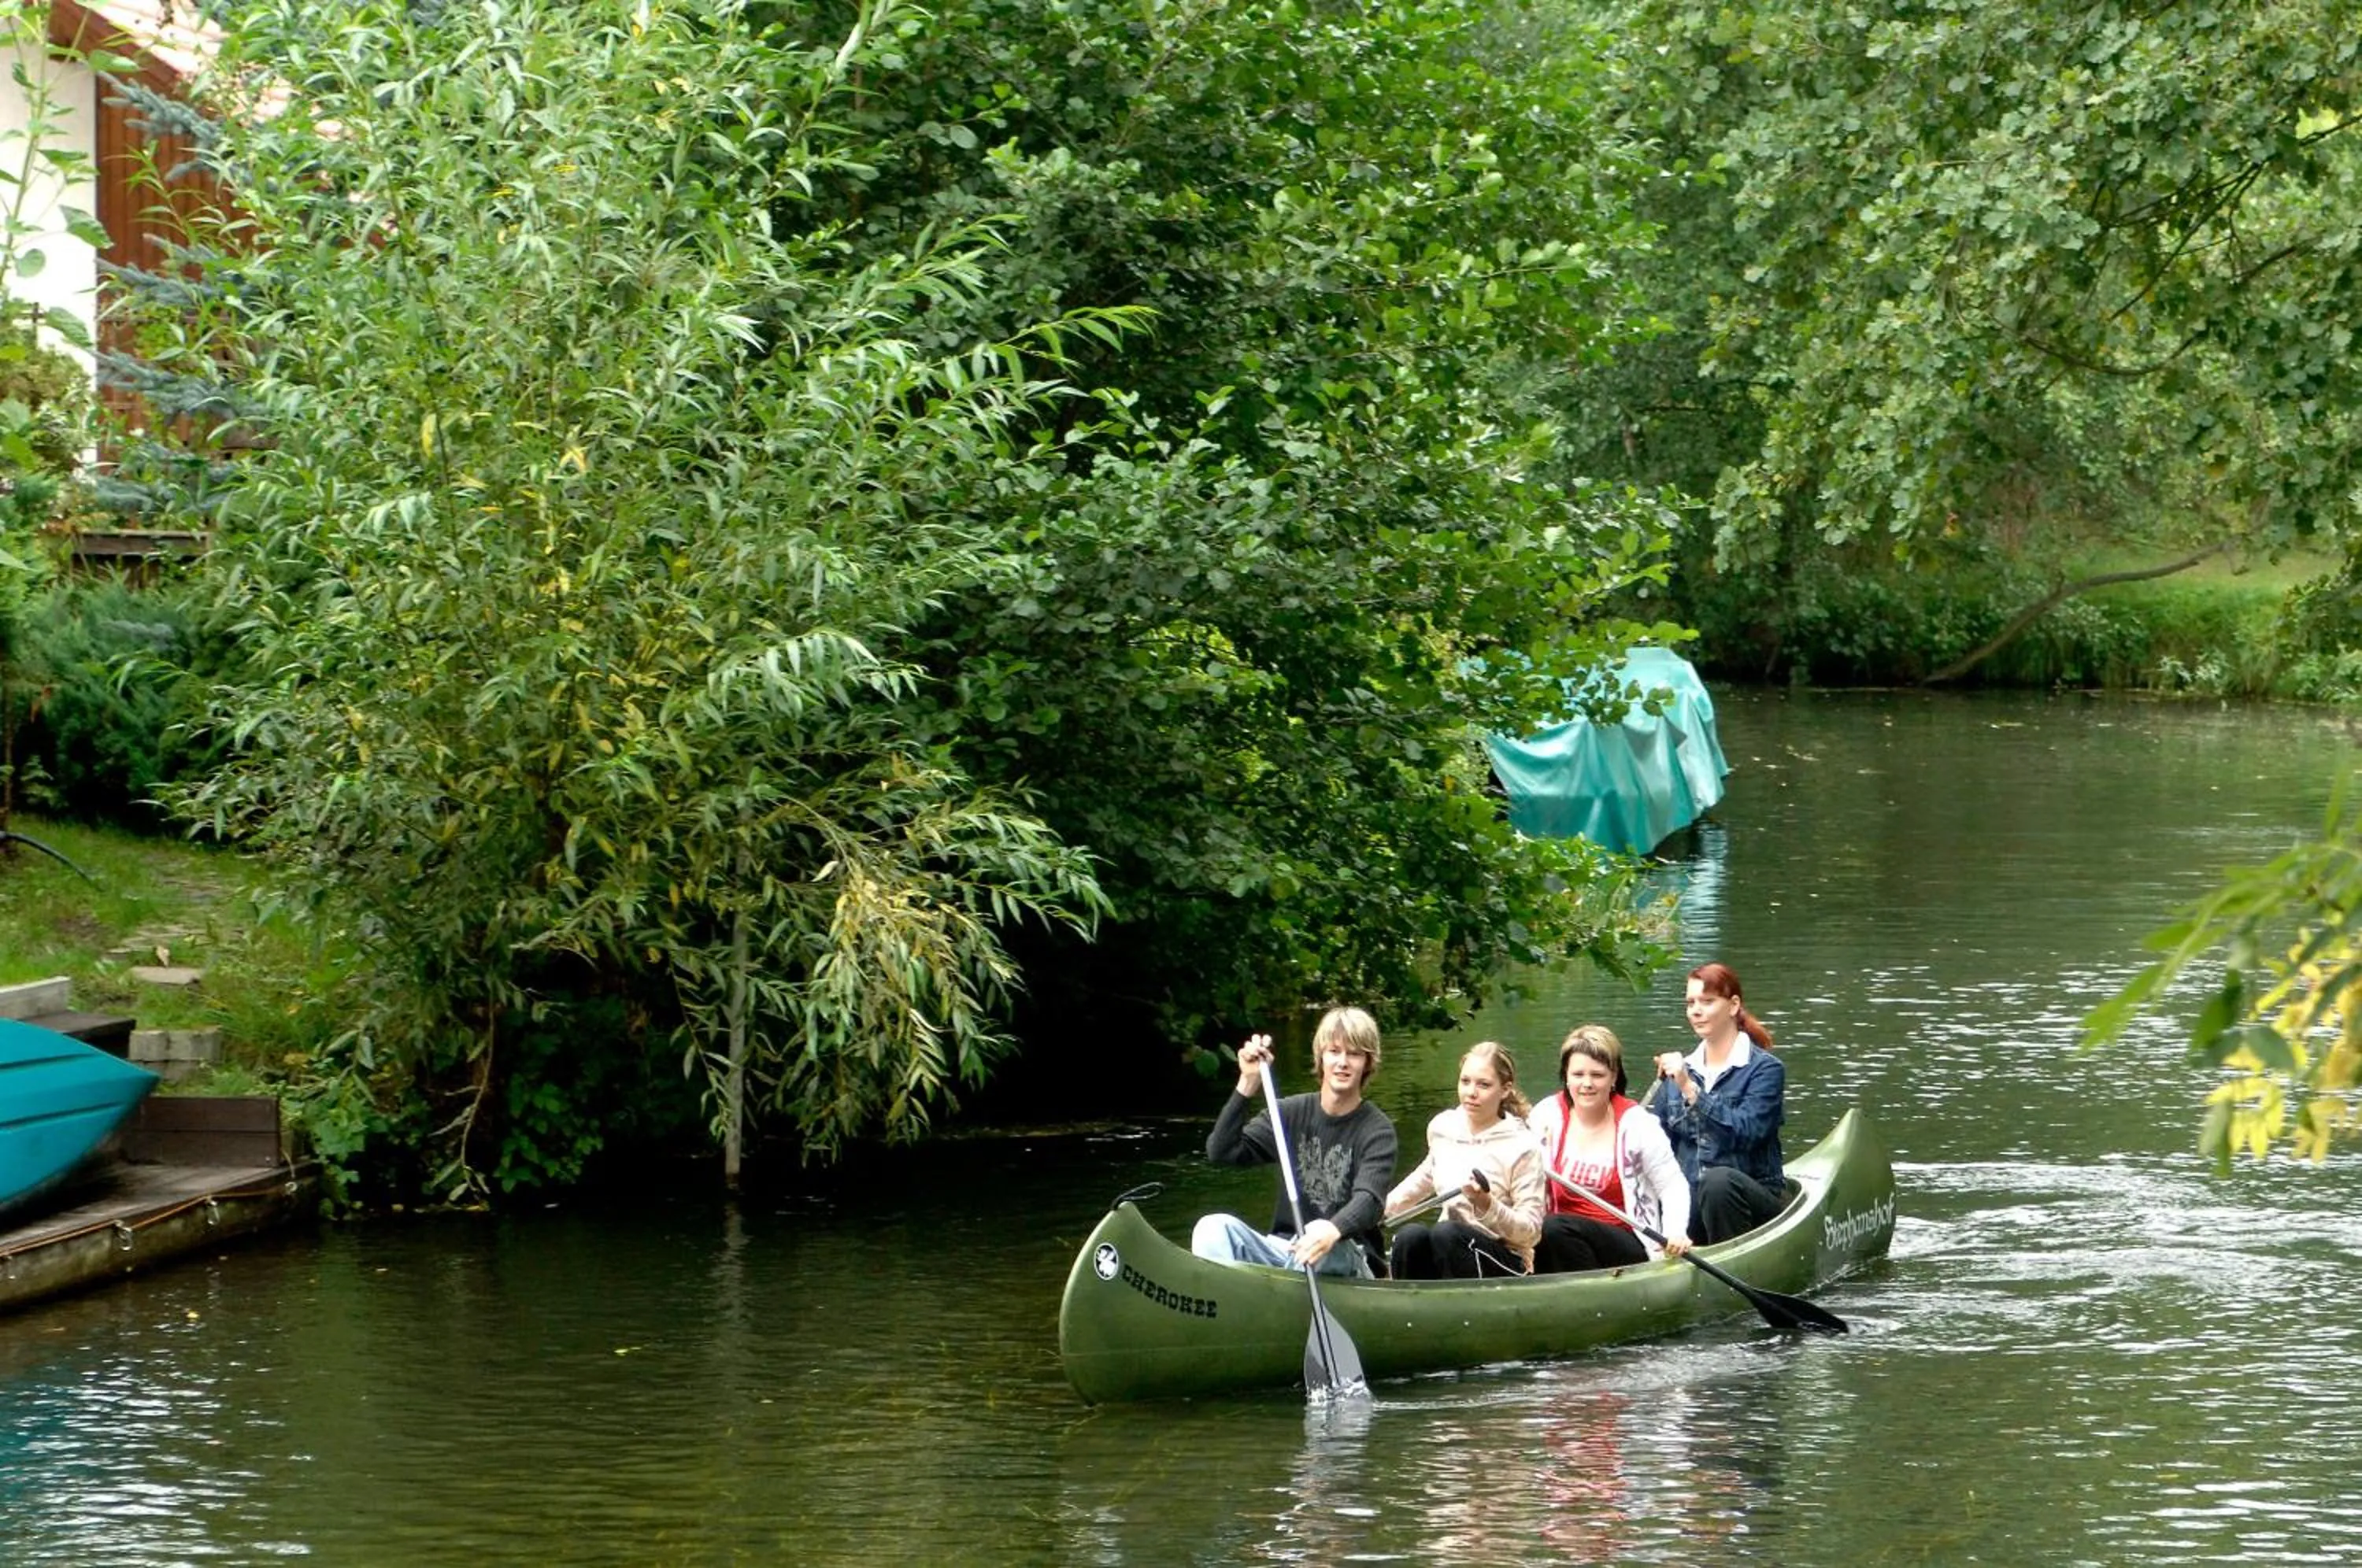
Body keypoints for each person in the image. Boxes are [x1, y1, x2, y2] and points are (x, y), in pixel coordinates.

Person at [1192, 1007, 1398, 1277]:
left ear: (1368, 1063)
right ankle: (1235, 1301)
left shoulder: (1378, 1130)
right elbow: (1222, 1151)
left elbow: (1370, 1201)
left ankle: (1276, 1295)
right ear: (1321, 1057)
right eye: (1334, 1051)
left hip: (1346, 1254)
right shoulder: (1288, 1114)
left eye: (1355, 1054)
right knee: (1212, 1228)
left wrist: (1332, 1230)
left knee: (1320, 1242)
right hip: (1286, 1250)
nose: (1343, 1062)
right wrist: (1247, 1083)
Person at [1529, 1024, 1691, 1273]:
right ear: (1566, 1076)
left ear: (1614, 1077)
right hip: (1556, 1239)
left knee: (1553, 1228)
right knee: (1544, 1231)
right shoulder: (1545, 1115)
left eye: (1597, 1075)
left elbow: (1672, 1186)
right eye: (1578, 1074)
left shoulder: (1638, 1124)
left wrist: (1675, 1232)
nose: (1587, 1084)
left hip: (1626, 1241)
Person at [1381, 1040, 1547, 1278]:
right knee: (1409, 1238)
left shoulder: (1523, 1146)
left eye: (1484, 1085)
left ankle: (1463, 1308)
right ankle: (1409, 1309)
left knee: (1447, 1233)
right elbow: (1425, 1177)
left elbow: (1531, 1233)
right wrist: (1375, 1211)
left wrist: (1487, 1204)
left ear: (1505, 1089)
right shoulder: (1443, 1127)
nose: (1471, 1092)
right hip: (1450, 1245)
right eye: (1465, 1081)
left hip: (1505, 1258)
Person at [1647, 962, 1786, 1244]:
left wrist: (1690, 1089)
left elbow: (1745, 1134)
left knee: (1718, 1181)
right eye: (1690, 1003)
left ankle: (1731, 1264)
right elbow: (1655, 1146)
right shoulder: (1678, 1071)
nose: (1696, 1011)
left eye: (1707, 1002)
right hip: (1691, 1207)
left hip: (1750, 1202)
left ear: (1733, 1005)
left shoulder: (1765, 1070)